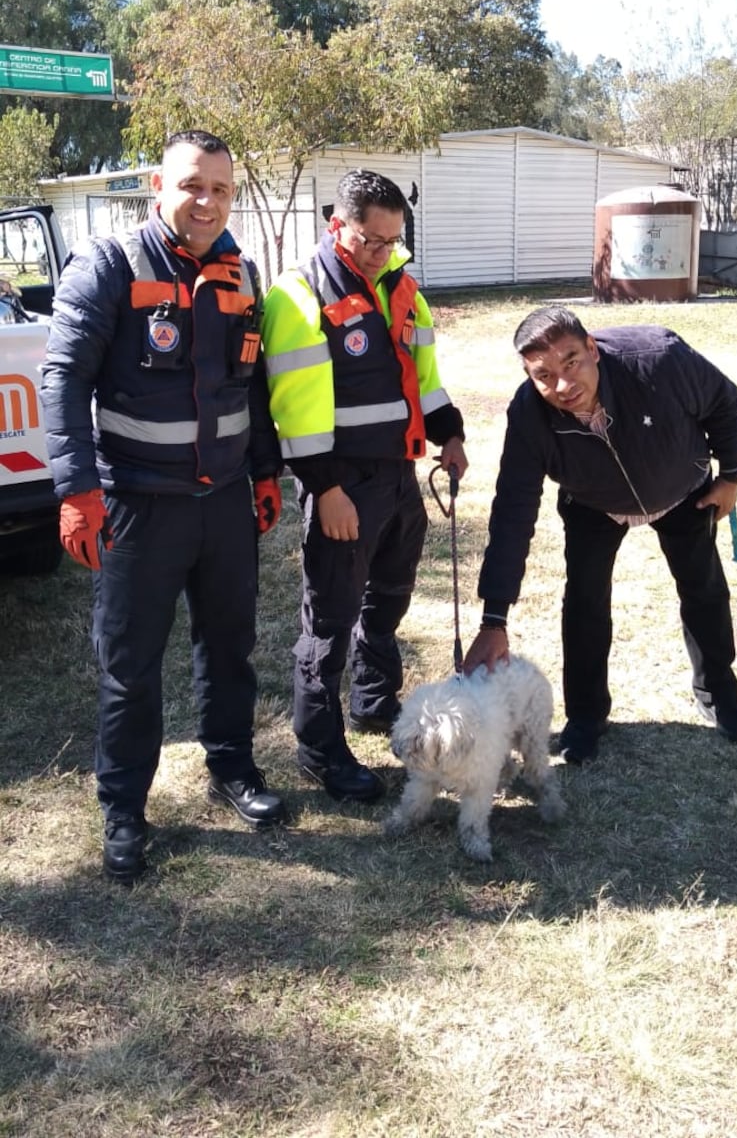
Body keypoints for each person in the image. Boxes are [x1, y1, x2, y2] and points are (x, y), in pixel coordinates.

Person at [41, 130, 287, 884]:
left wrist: (267, 471)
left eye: (220, 188)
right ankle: (123, 809)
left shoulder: (241, 269)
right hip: (136, 507)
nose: (206, 201)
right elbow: (61, 379)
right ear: (159, 185)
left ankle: (233, 767)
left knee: (229, 647)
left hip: (224, 505)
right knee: (130, 668)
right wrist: (75, 490)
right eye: (192, 185)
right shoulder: (110, 264)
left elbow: (252, 383)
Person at [462, 304, 737, 764]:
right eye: (543, 375)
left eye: (571, 362)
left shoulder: (659, 358)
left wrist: (731, 474)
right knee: (584, 604)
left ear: (592, 349)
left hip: (681, 488)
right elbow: (513, 511)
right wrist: (494, 619)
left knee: (704, 591)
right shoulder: (529, 414)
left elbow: (724, 401)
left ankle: (719, 694)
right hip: (594, 503)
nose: (561, 385)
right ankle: (585, 718)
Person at [262, 168, 468, 802]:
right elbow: (292, 406)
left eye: (393, 241)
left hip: (399, 478)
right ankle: (318, 749)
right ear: (337, 225)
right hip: (343, 483)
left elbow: (424, 378)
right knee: (329, 619)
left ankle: (374, 702)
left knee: (390, 597)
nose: (383, 252)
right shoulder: (299, 293)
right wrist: (325, 489)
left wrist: (450, 432)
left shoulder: (403, 288)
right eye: (370, 240)